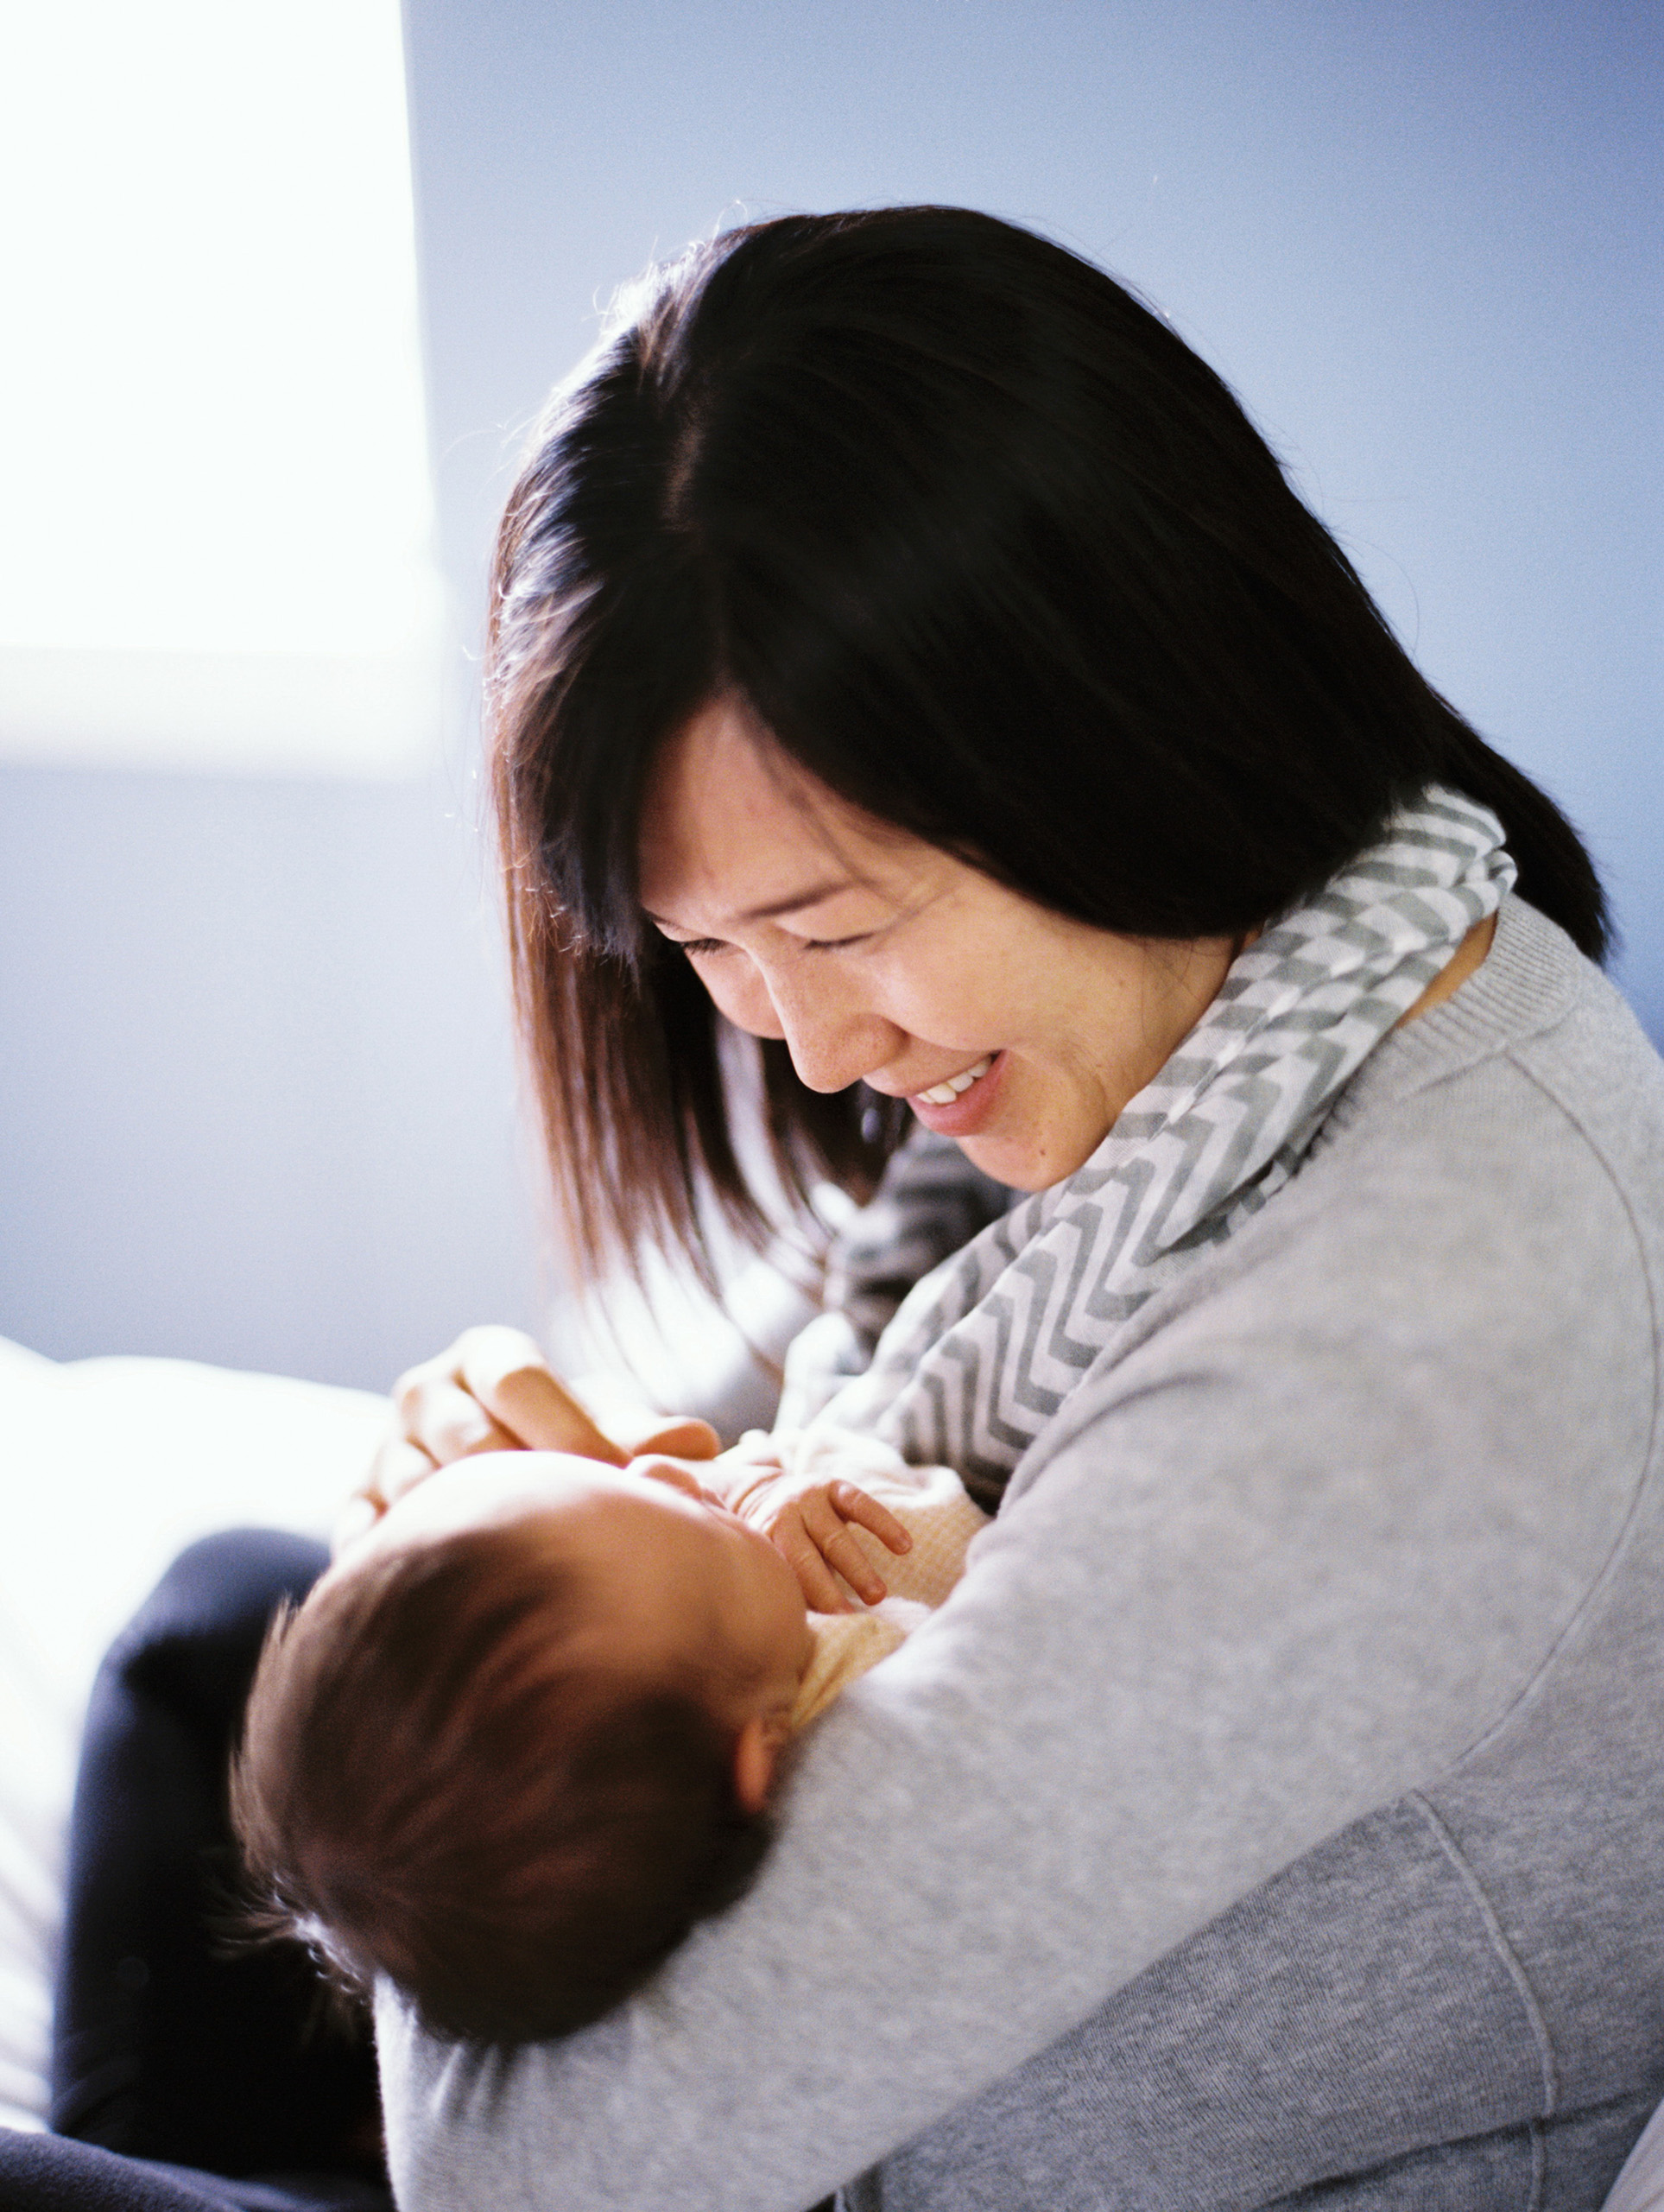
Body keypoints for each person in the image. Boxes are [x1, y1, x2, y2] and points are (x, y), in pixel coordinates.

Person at [8, 201, 1661, 2212]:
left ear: (1113, 722)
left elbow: (527, 2163)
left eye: (832, 923)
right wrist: (497, 1503)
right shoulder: (1182, 1025)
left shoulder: (1408, 1334)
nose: (802, 1048)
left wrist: (467, 1656)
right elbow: (723, 1426)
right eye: (709, 947)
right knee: (220, 1631)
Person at [231, 1436, 985, 2046]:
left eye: (615, 1473)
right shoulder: (864, 1675)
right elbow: (944, 1524)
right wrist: (775, 1483)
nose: (665, 1464)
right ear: (758, 1756)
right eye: (701, 1520)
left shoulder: (645, 1861)